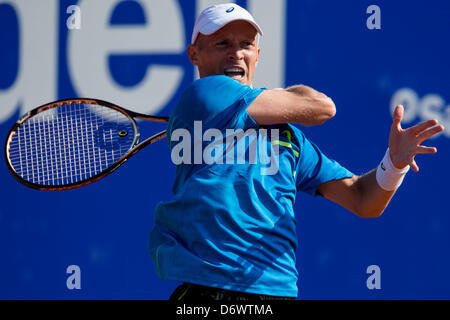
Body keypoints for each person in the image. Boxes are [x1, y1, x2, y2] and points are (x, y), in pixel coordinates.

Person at [148, 3, 444, 301]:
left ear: (258, 55)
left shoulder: (288, 139)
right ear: (194, 55)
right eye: (222, 43)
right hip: (209, 292)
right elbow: (323, 107)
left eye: (246, 44)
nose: (236, 53)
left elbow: (363, 200)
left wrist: (394, 164)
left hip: (276, 290)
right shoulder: (205, 94)